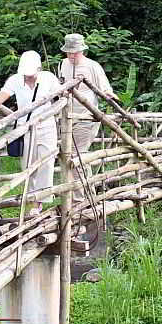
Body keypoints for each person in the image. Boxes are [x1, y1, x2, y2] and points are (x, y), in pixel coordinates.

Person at [0, 50, 61, 216]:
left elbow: (61, 96)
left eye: (31, 74)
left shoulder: (49, 78)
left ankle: (39, 201)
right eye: (26, 74)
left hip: (46, 125)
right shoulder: (15, 80)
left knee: (46, 162)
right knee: (28, 165)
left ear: (39, 69)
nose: (28, 77)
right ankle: (32, 200)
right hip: (25, 127)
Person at [57, 33, 117, 203]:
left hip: (86, 117)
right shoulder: (63, 65)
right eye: (69, 52)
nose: (71, 56)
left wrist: (111, 97)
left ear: (82, 50)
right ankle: (78, 194)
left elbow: (105, 89)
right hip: (66, 117)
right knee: (67, 155)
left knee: (78, 155)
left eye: (74, 52)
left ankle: (81, 199)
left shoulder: (93, 66)